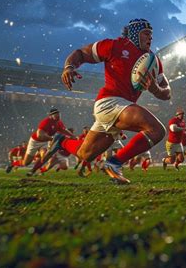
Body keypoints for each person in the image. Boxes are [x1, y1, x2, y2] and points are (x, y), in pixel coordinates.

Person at [43, 19, 171, 185]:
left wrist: (156, 90)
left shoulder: (153, 59)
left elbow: (167, 92)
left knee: (85, 154)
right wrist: (69, 67)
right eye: (146, 33)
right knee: (157, 130)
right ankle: (114, 163)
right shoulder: (114, 46)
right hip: (109, 103)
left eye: (151, 35)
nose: (150, 38)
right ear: (134, 33)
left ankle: (62, 141)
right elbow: (81, 53)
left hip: (120, 109)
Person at [25, 108, 74, 176]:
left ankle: (32, 171)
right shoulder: (46, 122)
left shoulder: (59, 122)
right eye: (56, 114)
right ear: (50, 115)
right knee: (26, 163)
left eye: (59, 114)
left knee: (46, 156)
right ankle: (14, 164)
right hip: (35, 141)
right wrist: (52, 139)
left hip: (45, 142)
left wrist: (73, 136)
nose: (58, 115)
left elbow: (64, 130)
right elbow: (40, 135)